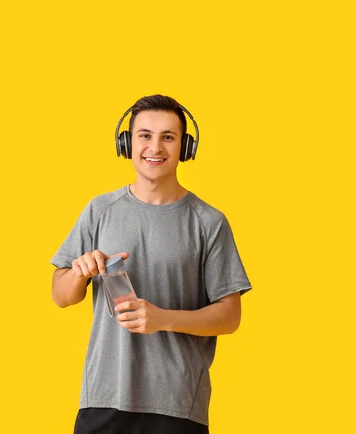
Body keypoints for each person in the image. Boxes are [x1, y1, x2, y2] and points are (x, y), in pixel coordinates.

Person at [50, 94, 251, 434]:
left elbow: (230, 316)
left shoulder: (209, 221)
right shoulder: (99, 210)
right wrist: (79, 274)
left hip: (177, 403)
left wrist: (162, 318)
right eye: (144, 135)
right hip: (103, 396)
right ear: (127, 143)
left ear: (185, 148)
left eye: (168, 137)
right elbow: (61, 295)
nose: (154, 147)